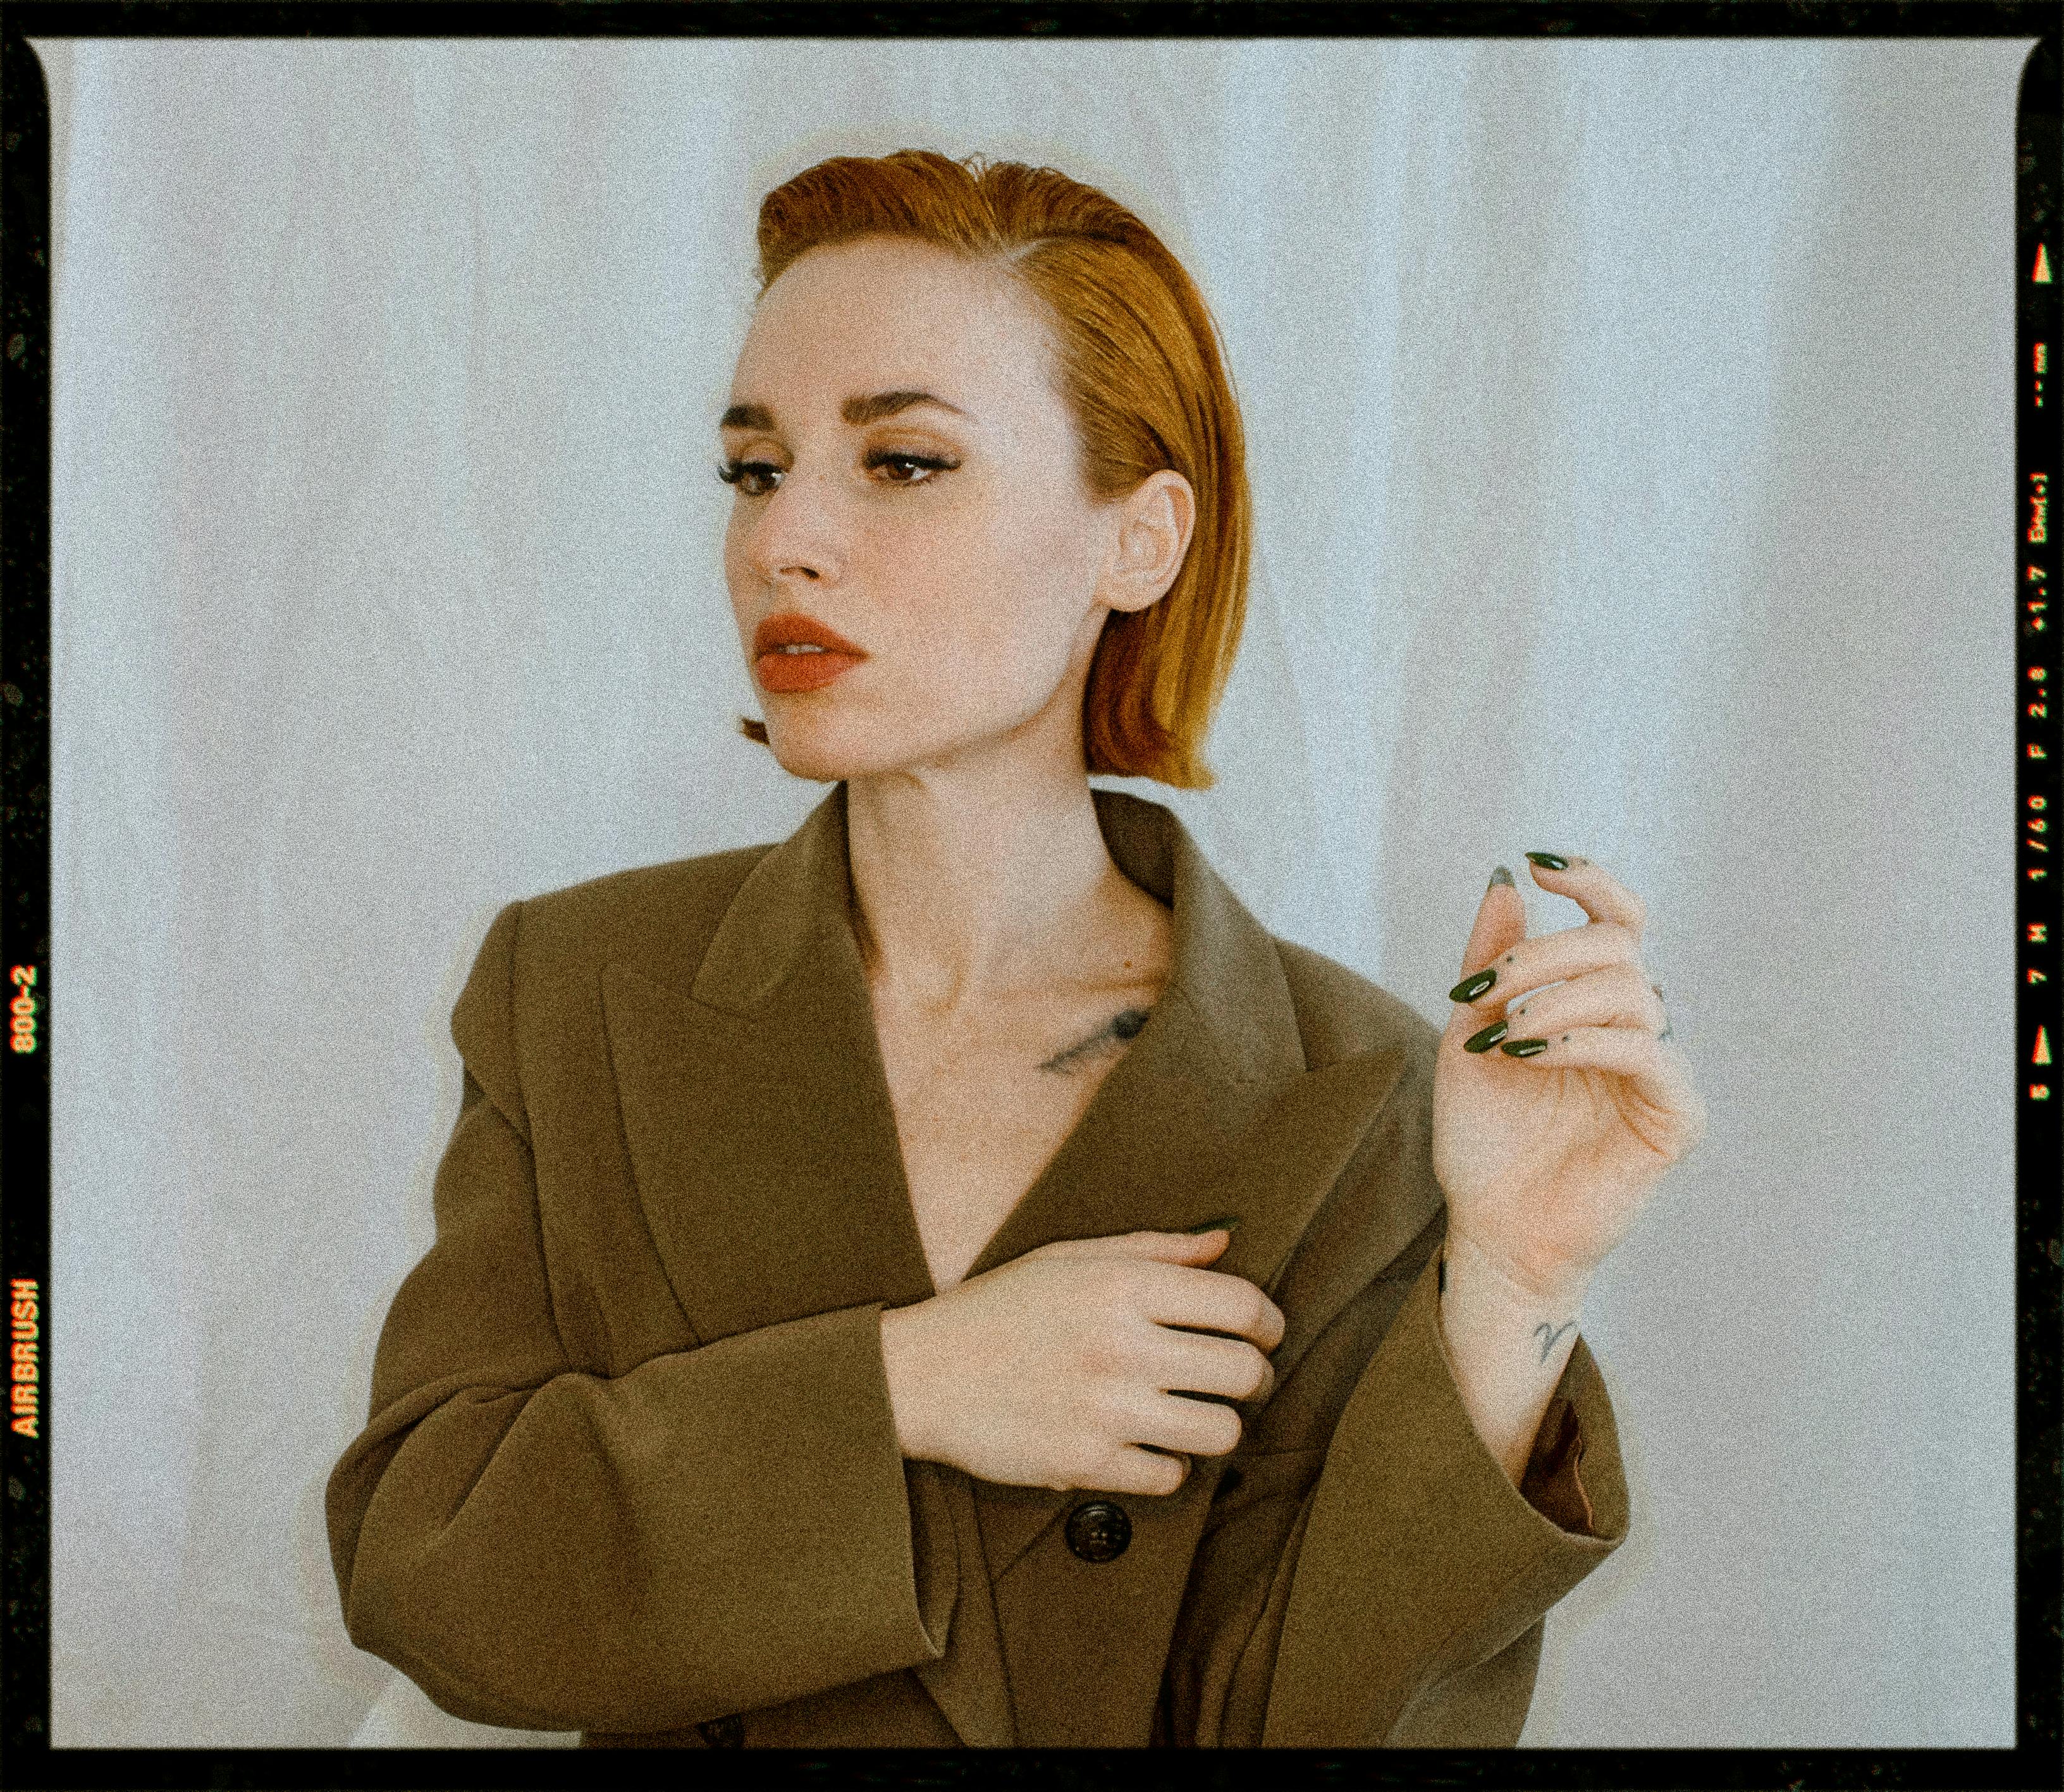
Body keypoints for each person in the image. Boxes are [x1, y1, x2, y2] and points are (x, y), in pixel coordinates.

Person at [324, 148, 1706, 1749]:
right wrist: (912, 1388)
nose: (786, 542)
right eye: (755, 469)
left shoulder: (1358, 1090)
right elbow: (431, 1562)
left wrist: (1517, 1286)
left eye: (903, 462)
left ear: (1140, 541)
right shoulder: (577, 987)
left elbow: (1317, 1726)